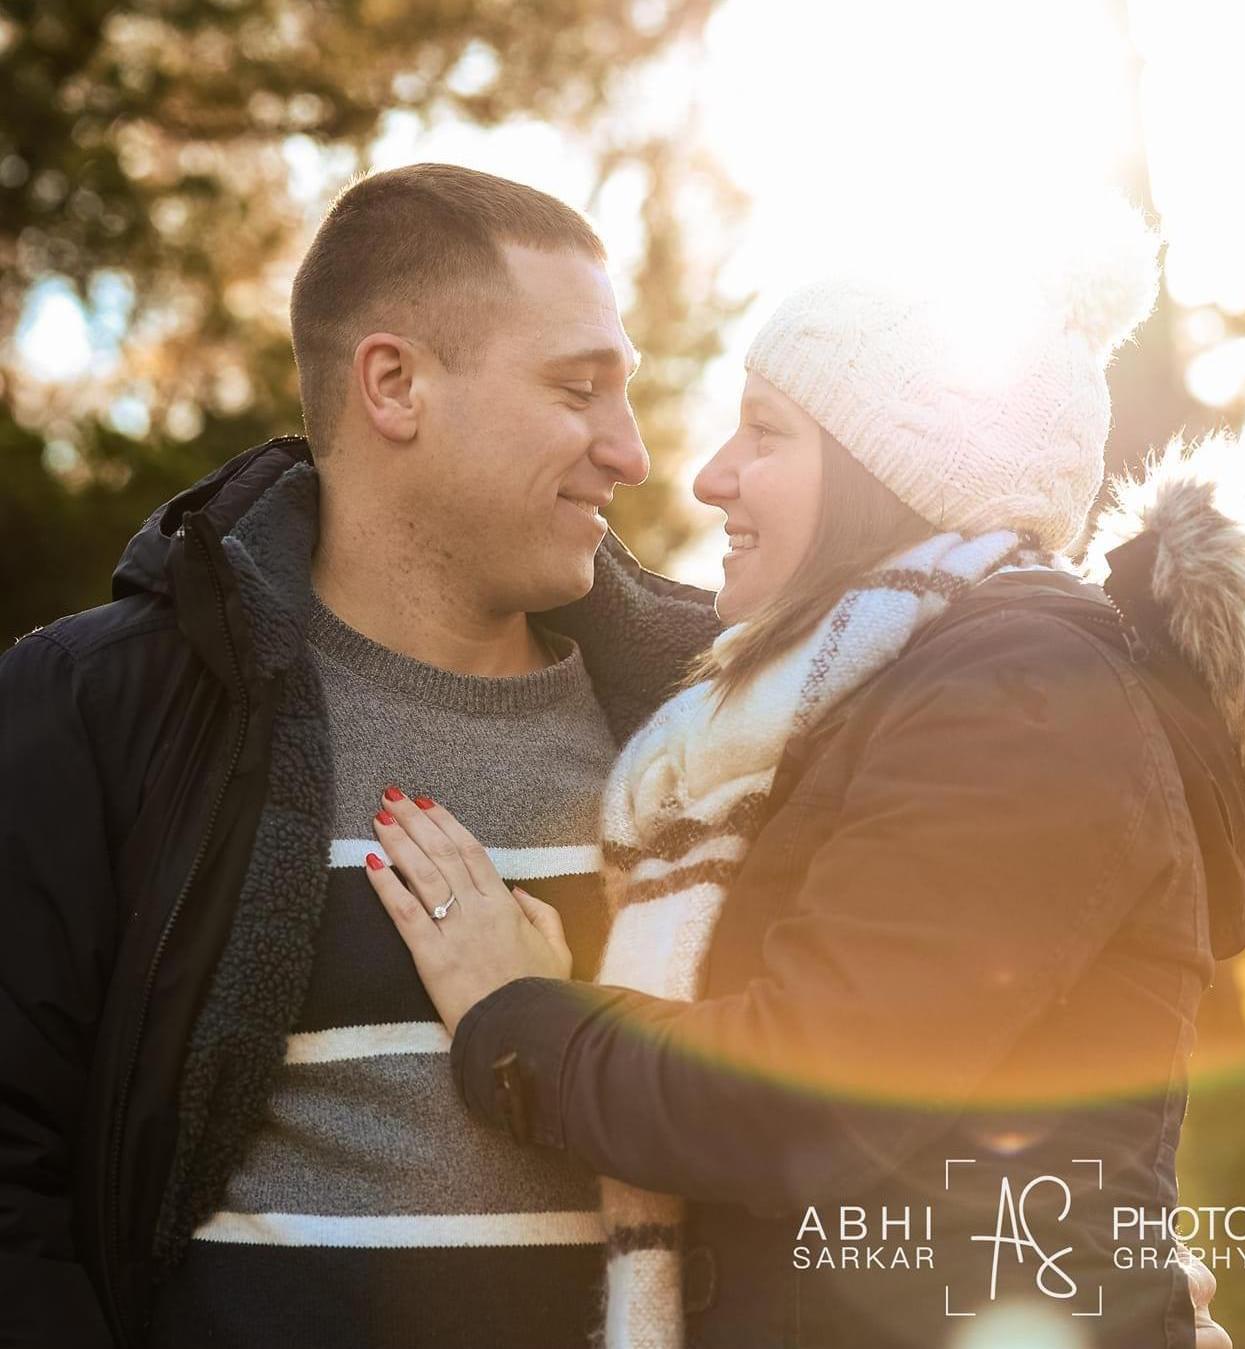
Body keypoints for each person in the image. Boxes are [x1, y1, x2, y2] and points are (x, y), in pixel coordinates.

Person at [362, 203, 1245, 1347]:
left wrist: (515, 1017)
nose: (710, 475)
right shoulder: (875, 702)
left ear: (890, 475)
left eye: (765, 432)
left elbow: (807, 1092)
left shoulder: (1022, 697)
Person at [0, 163, 722, 1348]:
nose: (632, 453)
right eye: (577, 389)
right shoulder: (93, 706)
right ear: (394, 384)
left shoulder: (716, 716)